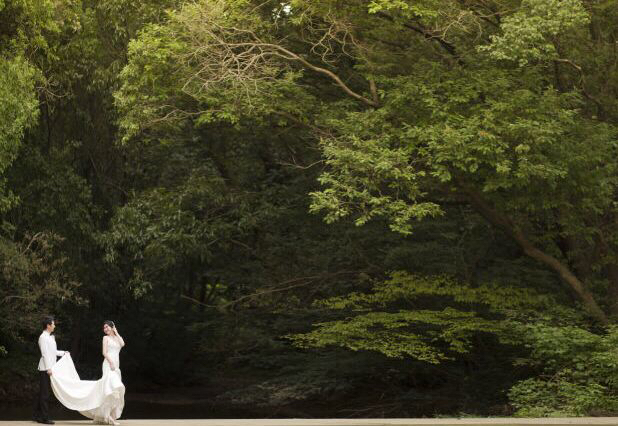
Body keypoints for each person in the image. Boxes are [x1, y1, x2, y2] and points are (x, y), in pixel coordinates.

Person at [49, 320, 125, 425]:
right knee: (111, 389)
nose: (105, 329)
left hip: (117, 365)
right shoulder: (105, 338)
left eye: (107, 327)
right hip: (109, 364)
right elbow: (104, 352)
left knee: (114, 391)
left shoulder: (117, 338)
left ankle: (107, 416)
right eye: (104, 328)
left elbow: (122, 344)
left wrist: (116, 332)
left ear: (112, 327)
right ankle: (109, 417)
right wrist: (111, 362)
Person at [34, 316, 69, 425]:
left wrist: (64, 353)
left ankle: (37, 416)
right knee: (45, 394)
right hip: (45, 368)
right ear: (48, 325)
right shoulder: (43, 337)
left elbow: (53, 352)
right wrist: (49, 368)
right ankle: (44, 418)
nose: (54, 326)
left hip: (50, 368)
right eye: (53, 324)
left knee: (43, 393)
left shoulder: (50, 337)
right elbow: (44, 354)